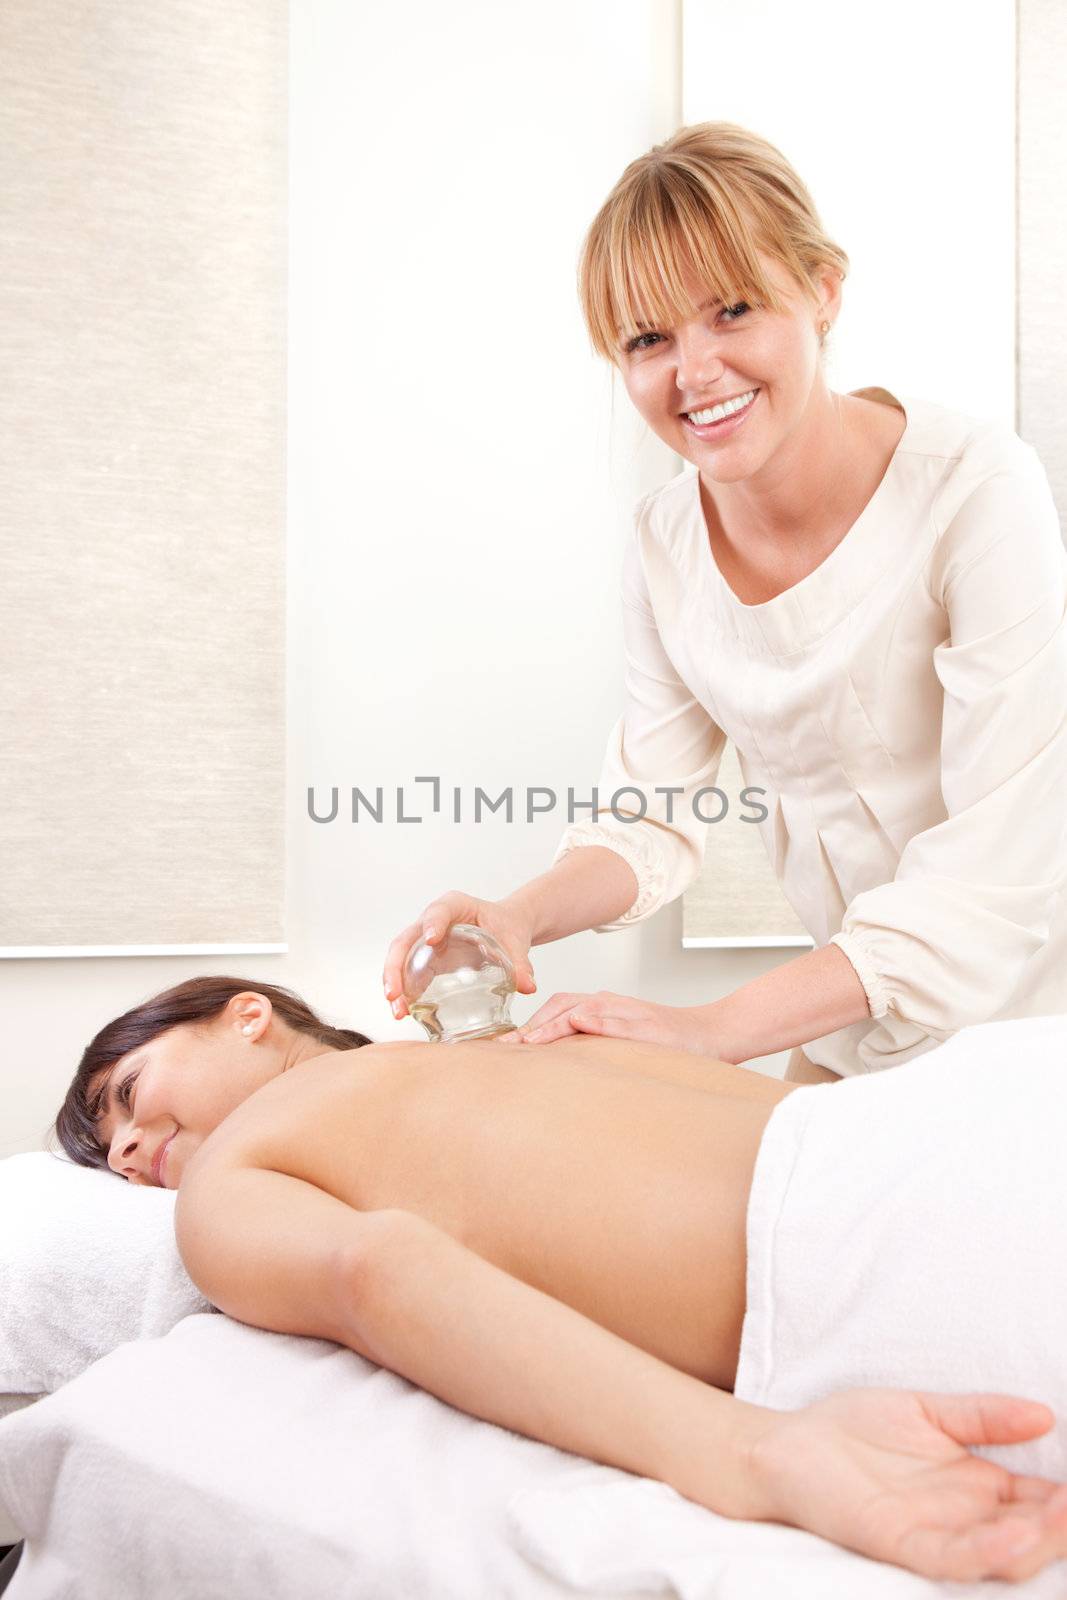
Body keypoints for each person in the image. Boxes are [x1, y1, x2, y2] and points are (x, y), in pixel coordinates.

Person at [383, 120, 1067, 1083]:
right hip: (857, 1009)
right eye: (647, 338)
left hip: (1038, 1004)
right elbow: (648, 818)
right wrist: (518, 916)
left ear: (822, 292)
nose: (694, 372)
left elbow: (994, 876)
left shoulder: (975, 490)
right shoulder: (663, 544)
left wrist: (713, 1029)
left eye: (733, 311)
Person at [54, 973, 1067, 1584]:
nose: (134, 1146)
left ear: (247, 1015)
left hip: (892, 1188)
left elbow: (384, 1270)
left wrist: (754, 1452)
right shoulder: (230, 1189)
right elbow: (380, 1272)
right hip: (948, 1149)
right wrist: (753, 1449)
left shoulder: (476, 1052)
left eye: (129, 1095)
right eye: (112, 1151)